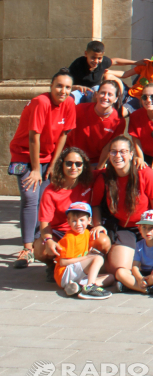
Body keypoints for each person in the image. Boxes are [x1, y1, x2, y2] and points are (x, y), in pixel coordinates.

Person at [9, 69, 77, 268]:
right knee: (30, 197)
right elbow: (33, 137)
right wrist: (37, 169)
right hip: (24, 156)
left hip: (49, 158)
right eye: (59, 86)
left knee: (44, 198)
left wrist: (55, 164)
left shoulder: (70, 103)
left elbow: (64, 134)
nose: (63, 91)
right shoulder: (41, 102)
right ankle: (27, 248)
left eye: (67, 87)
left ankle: (40, 242)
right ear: (51, 86)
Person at [90, 136, 153, 279]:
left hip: (147, 226)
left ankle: (137, 275)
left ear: (131, 154)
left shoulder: (145, 173)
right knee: (119, 268)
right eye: (113, 152)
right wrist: (97, 225)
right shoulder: (104, 178)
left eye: (123, 151)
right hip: (124, 228)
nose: (118, 156)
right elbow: (95, 204)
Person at [33, 147, 102, 280]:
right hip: (59, 233)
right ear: (61, 165)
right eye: (69, 163)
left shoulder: (89, 181)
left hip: (82, 230)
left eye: (78, 163)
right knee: (40, 248)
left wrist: (137, 161)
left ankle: (90, 266)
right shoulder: (50, 191)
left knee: (103, 241)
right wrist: (48, 240)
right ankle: (53, 266)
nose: (73, 167)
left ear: (84, 166)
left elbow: (115, 170)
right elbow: (45, 223)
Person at [55, 201, 113, 299]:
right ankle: (90, 287)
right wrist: (87, 257)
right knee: (98, 259)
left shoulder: (86, 233)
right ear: (68, 221)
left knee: (110, 277)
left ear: (89, 220)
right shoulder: (69, 238)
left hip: (76, 273)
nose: (78, 224)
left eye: (82, 220)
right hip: (64, 273)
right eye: (74, 220)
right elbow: (63, 262)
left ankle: (78, 287)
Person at [70, 80, 126, 166]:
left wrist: (99, 168)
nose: (105, 97)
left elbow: (109, 147)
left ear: (116, 99)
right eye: (102, 93)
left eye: (110, 94)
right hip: (73, 156)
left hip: (96, 161)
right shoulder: (79, 109)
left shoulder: (119, 121)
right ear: (96, 94)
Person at [115, 209, 153, 295]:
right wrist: (140, 278)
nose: (147, 231)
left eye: (151, 228)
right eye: (144, 227)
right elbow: (135, 266)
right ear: (139, 228)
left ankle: (130, 286)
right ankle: (145, 289)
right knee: (120, 272)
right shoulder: (139, 245)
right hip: (142, 273)